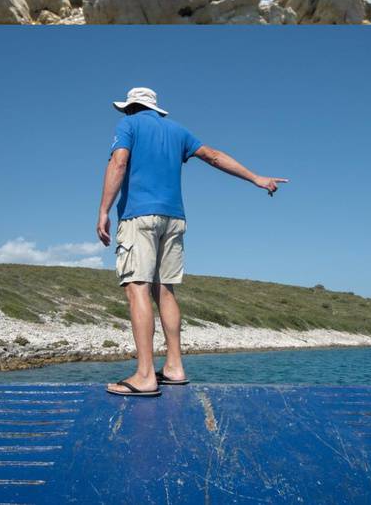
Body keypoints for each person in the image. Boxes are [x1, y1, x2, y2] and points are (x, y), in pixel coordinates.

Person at [95, 86, 287, 398]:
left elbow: (118, 162)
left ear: (130, 108)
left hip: (139, 215)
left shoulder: (128, 125)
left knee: (138, 288)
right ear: (156, 108)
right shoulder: (178, 130)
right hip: (175, 218)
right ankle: (174, 368)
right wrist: (256, 178)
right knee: (165, 289)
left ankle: (145, 375)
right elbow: (213, 156)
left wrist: (103, 210)